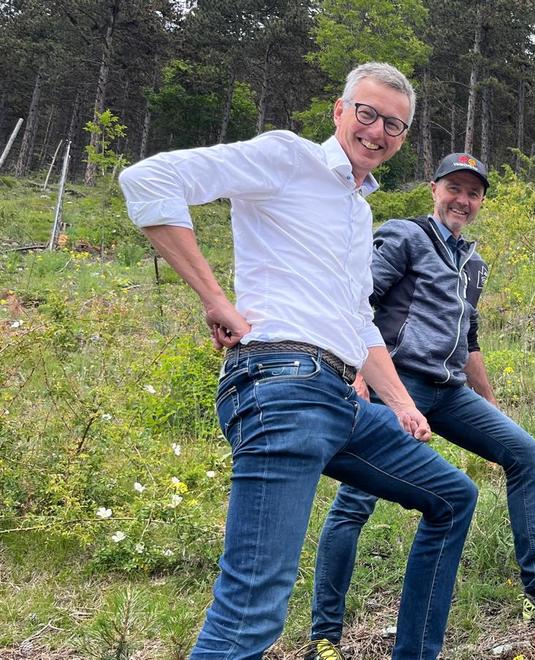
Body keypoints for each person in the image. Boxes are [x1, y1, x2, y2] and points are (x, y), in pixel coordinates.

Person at [119, 62, 477, 660]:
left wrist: (404, 405)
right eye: (366, 113)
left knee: (451, 497)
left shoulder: (360, 213)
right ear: (339, 111)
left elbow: (357, 321)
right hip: (282, 385)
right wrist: (214, 298)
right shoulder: (288, 158)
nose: (377, 130)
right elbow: (149, 178)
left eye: (395, 124)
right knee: (253, 609)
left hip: (341, 397)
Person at [309, 152, 535, 651]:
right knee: (355, 501)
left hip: (450, 392)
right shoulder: (405, 237)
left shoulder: (473, 261)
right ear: (434, 187)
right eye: (454, 189)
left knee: (525, 453)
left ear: (481, 200)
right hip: (396, 385)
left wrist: (489, 401)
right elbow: (357, 302)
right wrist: (357, 374)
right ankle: (325, 636)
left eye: (473, 193)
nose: (462, 200)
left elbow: (470, 338)